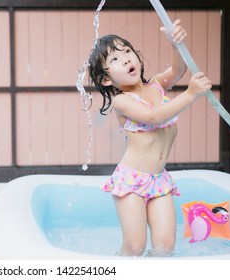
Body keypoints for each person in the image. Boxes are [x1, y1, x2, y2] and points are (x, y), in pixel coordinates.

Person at [88, 19, 212, 256]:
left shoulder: (156, 85)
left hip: (158, 180)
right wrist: (190, 94)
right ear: (106, 79)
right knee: (135, 246)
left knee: (165, 246)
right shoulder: (122, 101)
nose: (125, 58)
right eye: (114, 59)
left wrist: (176, 44)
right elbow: (154, 117)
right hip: (131, 182)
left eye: (126, 51)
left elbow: (177, 70)